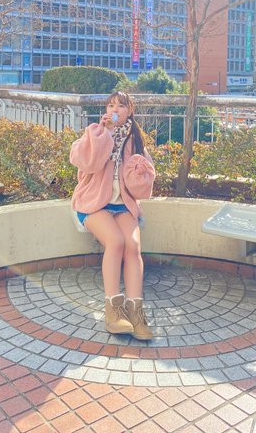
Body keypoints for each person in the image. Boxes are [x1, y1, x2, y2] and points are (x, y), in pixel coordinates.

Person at [69, 91, 155, 340]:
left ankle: (136, 312)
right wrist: (105, 135)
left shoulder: (135, 141)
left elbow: (144, 187)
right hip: (93, 203)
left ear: (130, 111)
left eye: (121, 106)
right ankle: (113, 311)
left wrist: (141, 171)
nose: (114, 109)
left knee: (133, 246)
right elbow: (87, 163)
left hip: (122, 205)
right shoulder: (95, 132)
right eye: (110, 105)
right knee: (115, 242)